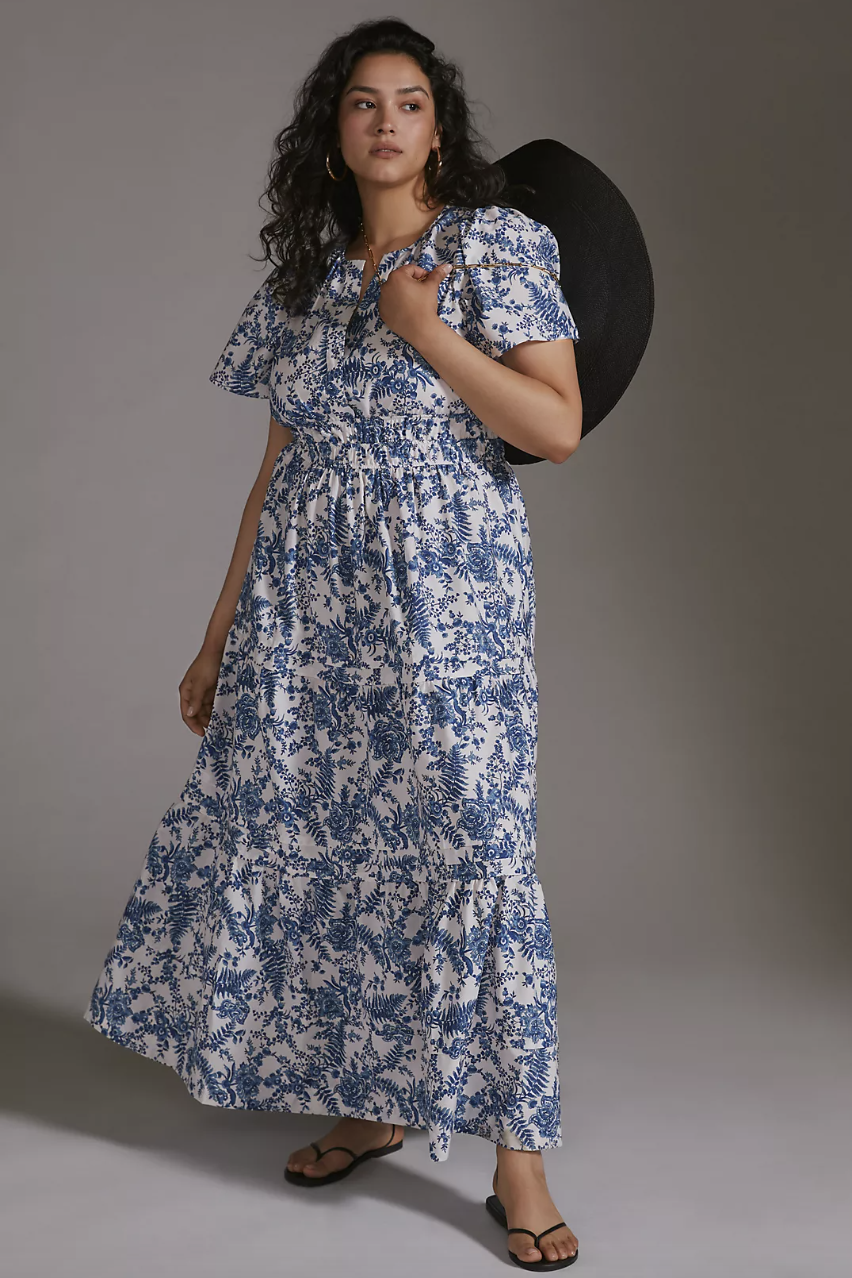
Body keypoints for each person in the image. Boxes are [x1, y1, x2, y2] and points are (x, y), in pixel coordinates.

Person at [84, 17, 581, 1271]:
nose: (387, 124)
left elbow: (557, 424)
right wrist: (215, 639)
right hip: (310, 612)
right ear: (333, 132)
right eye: (363, 104)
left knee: (475, 843)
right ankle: (382, 1096)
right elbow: (273, 474)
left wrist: (427, 330)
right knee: (343, 850)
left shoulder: (494, 245)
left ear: (438, 127)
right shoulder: (305, 277)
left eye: (410, 103)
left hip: (449, 604)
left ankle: (518, 1156)